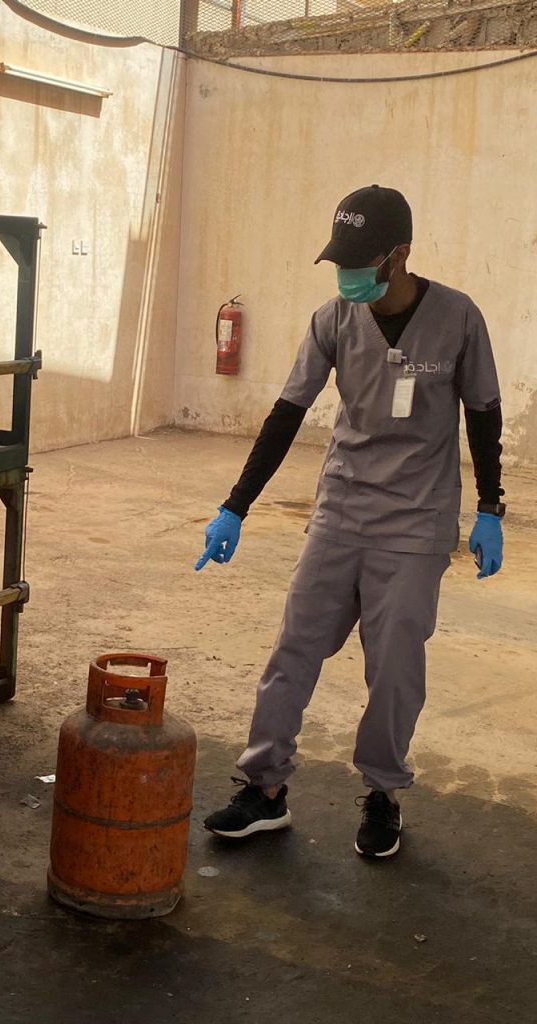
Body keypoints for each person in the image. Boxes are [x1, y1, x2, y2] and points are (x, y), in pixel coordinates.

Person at [196, 185, 504, 858]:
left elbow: (483, 412)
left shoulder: (457, 318)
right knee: (293, 650)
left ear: (399, 254)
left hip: (416, 523)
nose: (347, 274)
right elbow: (287, 412)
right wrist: (235, 505)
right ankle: (264, 788)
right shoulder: (333, 319)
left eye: (360, 261)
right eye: (340, 261)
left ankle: (383, 793)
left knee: (394, 667)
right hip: (341, 509)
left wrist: (490, 507)